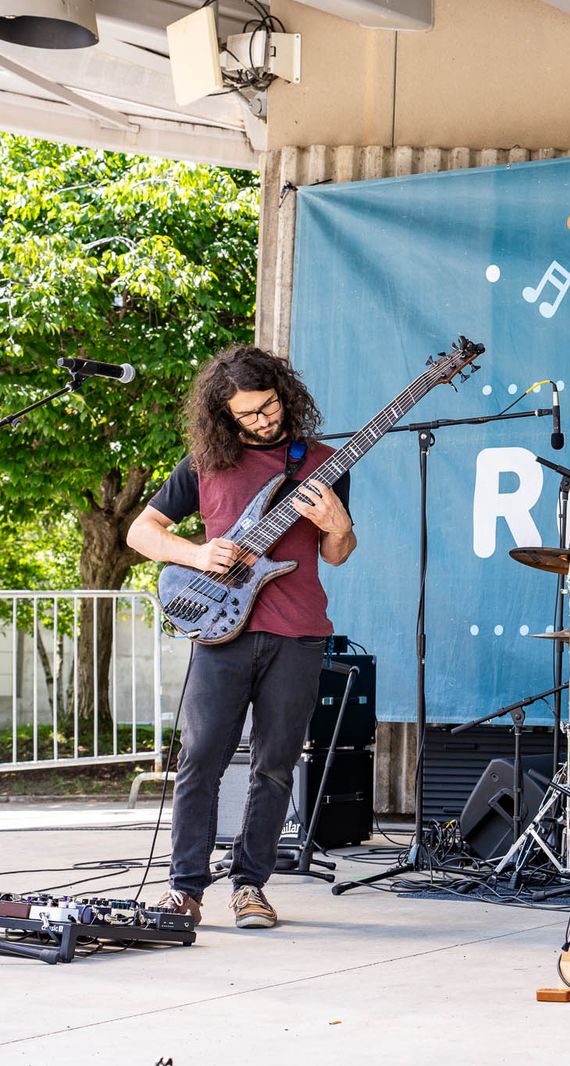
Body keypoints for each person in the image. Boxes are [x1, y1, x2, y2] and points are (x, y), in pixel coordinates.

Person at [128, 346, 356, 930]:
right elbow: (141, 532)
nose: (263, 419)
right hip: (220, 630)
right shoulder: (205, 463)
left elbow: (336, 554)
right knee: (200, 759)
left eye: (269, 406)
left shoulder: (324, 462)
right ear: (225, 414)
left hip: (297, 631)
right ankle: (185, 889)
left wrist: (339, 526)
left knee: (275, 765)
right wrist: (197, 553)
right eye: (248, 413)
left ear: (284, 393)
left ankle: (250, 886)